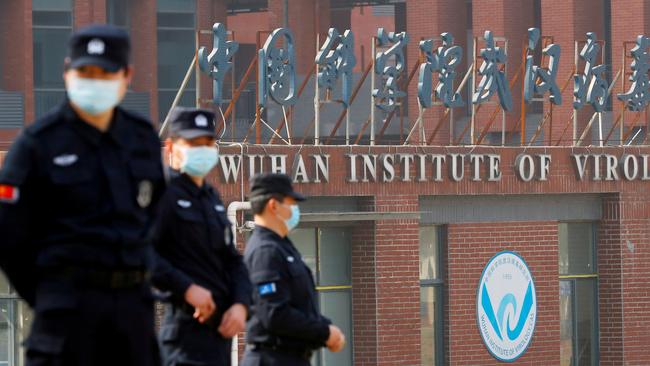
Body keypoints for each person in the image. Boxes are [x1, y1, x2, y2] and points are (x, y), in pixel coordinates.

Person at [0, 24, 165, 366]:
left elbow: (155, 217)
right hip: (66, 314)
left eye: (105, 72)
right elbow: (9, 236)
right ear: (66, 72)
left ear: (126, 75)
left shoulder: (142, 138)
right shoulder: (37, 144)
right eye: (84, 71)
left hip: (132, 312)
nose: (94, 81)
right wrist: (48, 295)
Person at [152, 107, 251, 366]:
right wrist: (186, 288)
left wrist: (241, 304)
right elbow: (142, 254)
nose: (203, 149)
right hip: (184, 337)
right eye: (194, 143)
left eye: (208, 142)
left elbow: (233, 260)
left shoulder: (212, 198)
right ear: (171, 147)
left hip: (219, 338)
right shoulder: (162, 194)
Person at [241, 173, 346, 366]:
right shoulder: (265, 252)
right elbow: (274, 314)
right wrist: (324, 332)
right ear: (273, 205)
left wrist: (326, 327)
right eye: (291, 203)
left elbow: (299, 305)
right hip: (272, 358)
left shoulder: (282, 247)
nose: (295, 209)